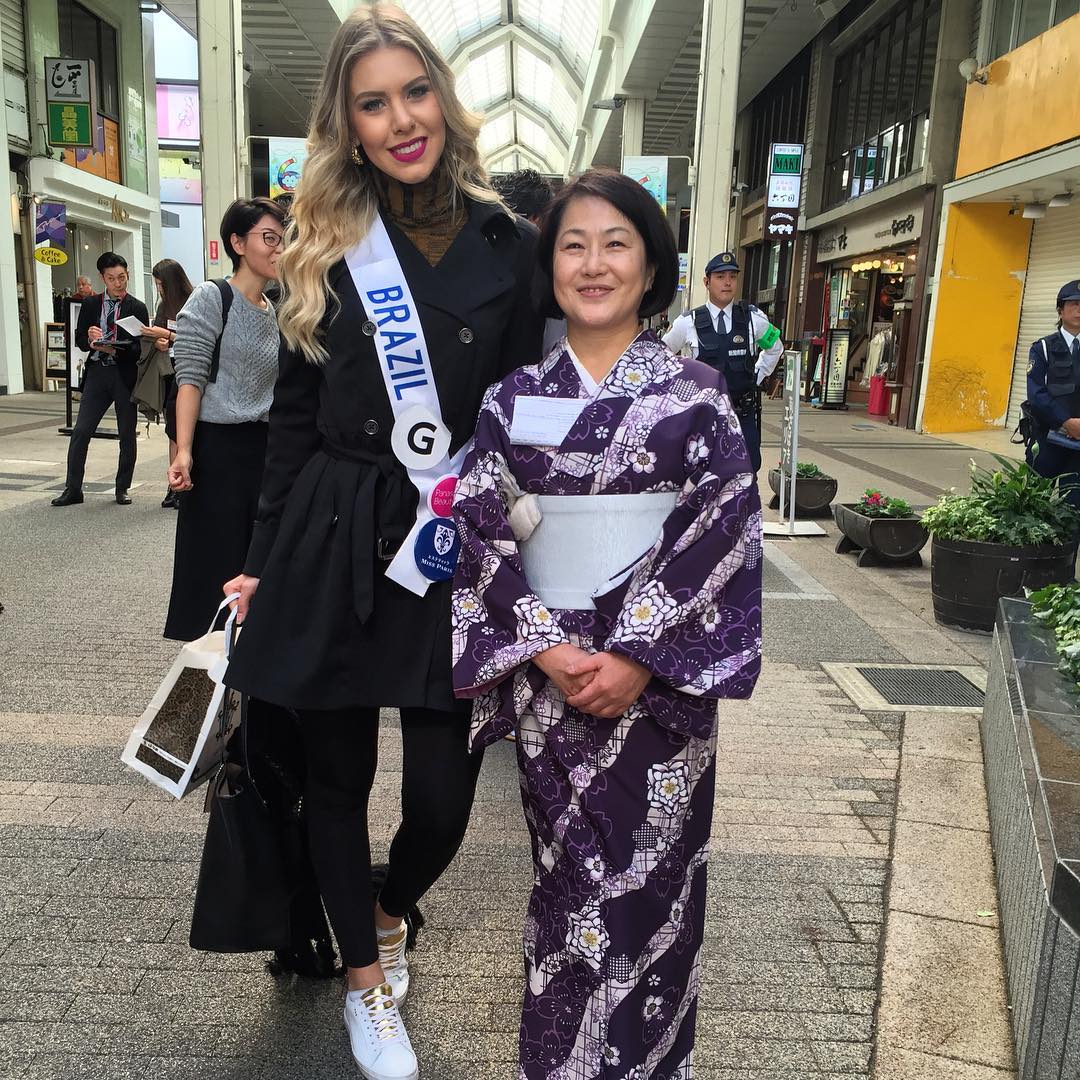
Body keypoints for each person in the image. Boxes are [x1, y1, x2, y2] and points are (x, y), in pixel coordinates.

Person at [221, 6, 544, 1078]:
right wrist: (259, 555)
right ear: (348, 125)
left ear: (444, 100)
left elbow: (528, 408)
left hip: (447, 539)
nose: (401, 119)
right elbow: (296, 421)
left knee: (444, 797)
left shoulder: (513, 243)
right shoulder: (327, 239)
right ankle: (364, 987)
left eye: (415, 92)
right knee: (334, 775)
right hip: (333, 525)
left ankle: (389, 908)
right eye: (374, 103)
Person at [451, 168, 763, 1079]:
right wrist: (547, 649)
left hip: (659, 694)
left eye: (615, 244)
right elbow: (477, 533)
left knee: (653, 890)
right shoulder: (513, 400)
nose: (593, 264)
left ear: (651, 264)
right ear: (550, 266)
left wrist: (634, 653)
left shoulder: (699, 398)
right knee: (565, 884)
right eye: (573, 246)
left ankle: (648, 1063)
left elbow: (722, 533)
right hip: (555, 686)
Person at [163, 198, 284, 642]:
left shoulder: (276, 311)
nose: (278, 248)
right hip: (217, 449)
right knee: (214, 558)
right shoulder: (213, 297)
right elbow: (190, 379)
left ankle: (247, 657)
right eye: (268, 238)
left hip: (263, 451)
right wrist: (185, 451)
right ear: (237, 242)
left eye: (283, 239)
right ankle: (211, 652)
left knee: (253, 559)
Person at [662, 252, 783, 472]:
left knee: (747, 468)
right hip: (702, 416)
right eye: (720, 276)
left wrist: (757, 375)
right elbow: (661, 355)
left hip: (742, 413)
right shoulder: (688, 322)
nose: (727, 282)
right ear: (707, 282)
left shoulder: (753, 320)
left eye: (732, 276)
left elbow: (776, 348)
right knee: (700, 471)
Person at [52, 253, 150, 507]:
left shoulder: (137, 307)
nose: (118, 283)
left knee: (127, 433)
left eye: (122, 277)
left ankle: (122, 488)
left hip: (124, 374)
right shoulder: (91, 304)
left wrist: (117, 348)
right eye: (111, 279)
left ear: (128, 274)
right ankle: (73, 488)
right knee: (81, 431)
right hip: (97, 373)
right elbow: (79, 340)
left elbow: (141, 349)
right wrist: (91, 338)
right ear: (102, 279)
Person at [136, 258, 194, 509]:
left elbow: (192, 337)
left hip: (189, 371)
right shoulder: (163, 305)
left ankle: (184, 483)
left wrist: (165, 335)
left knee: (185, 430)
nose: (159, 289)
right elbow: (163, 335)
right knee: (173, 430)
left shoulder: (194, 301)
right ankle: (174, 486)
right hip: (169, 370)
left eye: (161, 284)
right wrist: (161, 341)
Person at [1025, 279, 1080, 506]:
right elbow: (1036, 394)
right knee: (1036, 507)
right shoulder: (1043, 348)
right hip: (1047, 441)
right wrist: (1067, 421)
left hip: (1079, 448)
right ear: (1060, 310)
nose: (1079, 310)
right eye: (1074, 304)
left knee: (1074, 511)